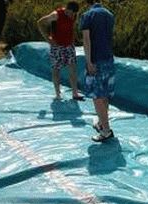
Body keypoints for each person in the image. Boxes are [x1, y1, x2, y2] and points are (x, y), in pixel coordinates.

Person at [80, 0, 116, 142]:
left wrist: (89, 62)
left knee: (97, 96)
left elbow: (86, 40)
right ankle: (102, 123)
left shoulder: (87, 16)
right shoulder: (109, 14)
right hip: (109, 59)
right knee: (105, 94)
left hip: (96, 60)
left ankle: (106, 130)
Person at [37, 1, 84, 101]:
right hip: (57, 46)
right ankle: (57, 94)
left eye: (74, 14)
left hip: (69, 46)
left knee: (73, 69)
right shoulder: (56, 15)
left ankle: (75, 93)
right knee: (56, 70)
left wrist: (73, 40)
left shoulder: (74, 15)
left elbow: (71, 28)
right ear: (67, 9)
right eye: (70, 13)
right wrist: (48, 39)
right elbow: (40, 23)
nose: (72, 15)